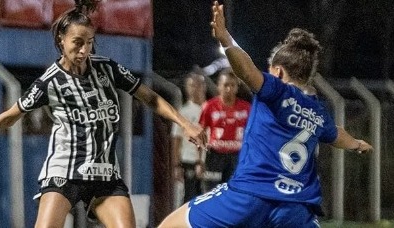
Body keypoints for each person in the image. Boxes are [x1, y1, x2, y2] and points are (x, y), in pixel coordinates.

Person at [0, 1, 206, 227]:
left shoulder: (107, 69)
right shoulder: (50, 82)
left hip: (105, 176)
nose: (84, 51)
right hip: (63, 174)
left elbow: (150, 97)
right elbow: (10, 116)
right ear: (61, 40)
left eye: (89, 43)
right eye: (77, 43)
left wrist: (185, 123)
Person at [158, 2, 374, 227]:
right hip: (296, 208)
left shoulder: (277, 90)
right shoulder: (317, 111)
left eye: (270, 69)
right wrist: (356, 144)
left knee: (171, 224)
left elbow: (246, 71)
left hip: (251, 196)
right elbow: (336, 134)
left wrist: (225, 40)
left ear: (278, 71)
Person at [198, 68, 250, 191]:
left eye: (232, 85)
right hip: (215, 156)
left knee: (235, 191)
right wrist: (199, 160)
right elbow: (200, 133)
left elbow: (253, 134)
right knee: (211, 192)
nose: (229, 89)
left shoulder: (247, 108)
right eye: (226, 85)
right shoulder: (209, 106)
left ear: (237, 87)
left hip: (237, 157)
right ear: (219, 86)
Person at [171, 71, 207, 205]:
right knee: (190, 197)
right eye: (191, 85)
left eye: (197, 85)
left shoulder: (210, 107)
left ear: (203, 86)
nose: (194, 89)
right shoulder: (184, 112)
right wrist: (176, 165)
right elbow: (176, 139)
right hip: (188, 160)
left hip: (209, 160)